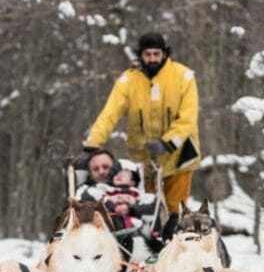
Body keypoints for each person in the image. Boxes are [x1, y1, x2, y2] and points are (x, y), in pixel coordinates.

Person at [75, 32, 201, 219]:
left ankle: (176, 239)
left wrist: (167, 142)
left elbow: (188, 118)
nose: (152, 59)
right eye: (147, 54)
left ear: (164, 54)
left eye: (156, 54)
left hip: (179, 155)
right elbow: (110, 113)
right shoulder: (128, 81)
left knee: (176, 209)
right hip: (145, 159)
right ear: (140, 55)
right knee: (148, 209)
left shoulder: (184, 77)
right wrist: (92, 144)